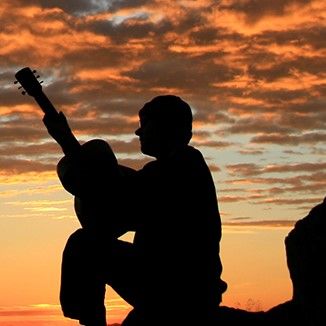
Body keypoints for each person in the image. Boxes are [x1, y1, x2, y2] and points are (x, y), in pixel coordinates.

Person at [43, 95, 227, 326]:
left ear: (166, 127)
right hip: (168, 280)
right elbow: (114, 206)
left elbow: (119, 198)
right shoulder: (171, 168)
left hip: (178, 286)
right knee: (86, 244)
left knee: (84, 245)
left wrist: (66, 141)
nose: (138, 133)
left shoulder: (182, 167)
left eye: (145, 124)